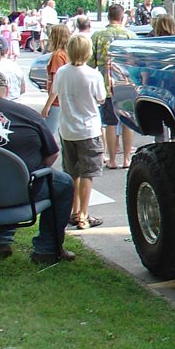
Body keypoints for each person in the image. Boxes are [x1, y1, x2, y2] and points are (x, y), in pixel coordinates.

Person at [0, 68, 75, 262]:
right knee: (63, 183)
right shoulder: (26, 114)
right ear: (6, 89)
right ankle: (47, 249)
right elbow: (52, 155)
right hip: (19, 192)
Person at [45, 34, 106, 230]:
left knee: (72, 172)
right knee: (88, 173)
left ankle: (74, 211)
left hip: (67, 129)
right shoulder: (93, 74)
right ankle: (84, 215)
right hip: (88, 129)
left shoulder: (62, 72)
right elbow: (101, 98)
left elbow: (55, 91)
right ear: (88, 52)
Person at [89, 3, 136, 168]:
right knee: (128, 122)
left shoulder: (98, 36)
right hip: (126, 84)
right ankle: (127, 159)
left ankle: (113, 159)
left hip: (106, 85)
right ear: (122, 17)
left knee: (110, 123)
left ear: (108, 16)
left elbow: (90, 63)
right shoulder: (130, 35)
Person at [40, 24, 72, 137]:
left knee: (48, 133)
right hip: (66, 97)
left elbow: (56, 82)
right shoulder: (68, 54)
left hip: (57, 100)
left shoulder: (57, 56)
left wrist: (47, 105)